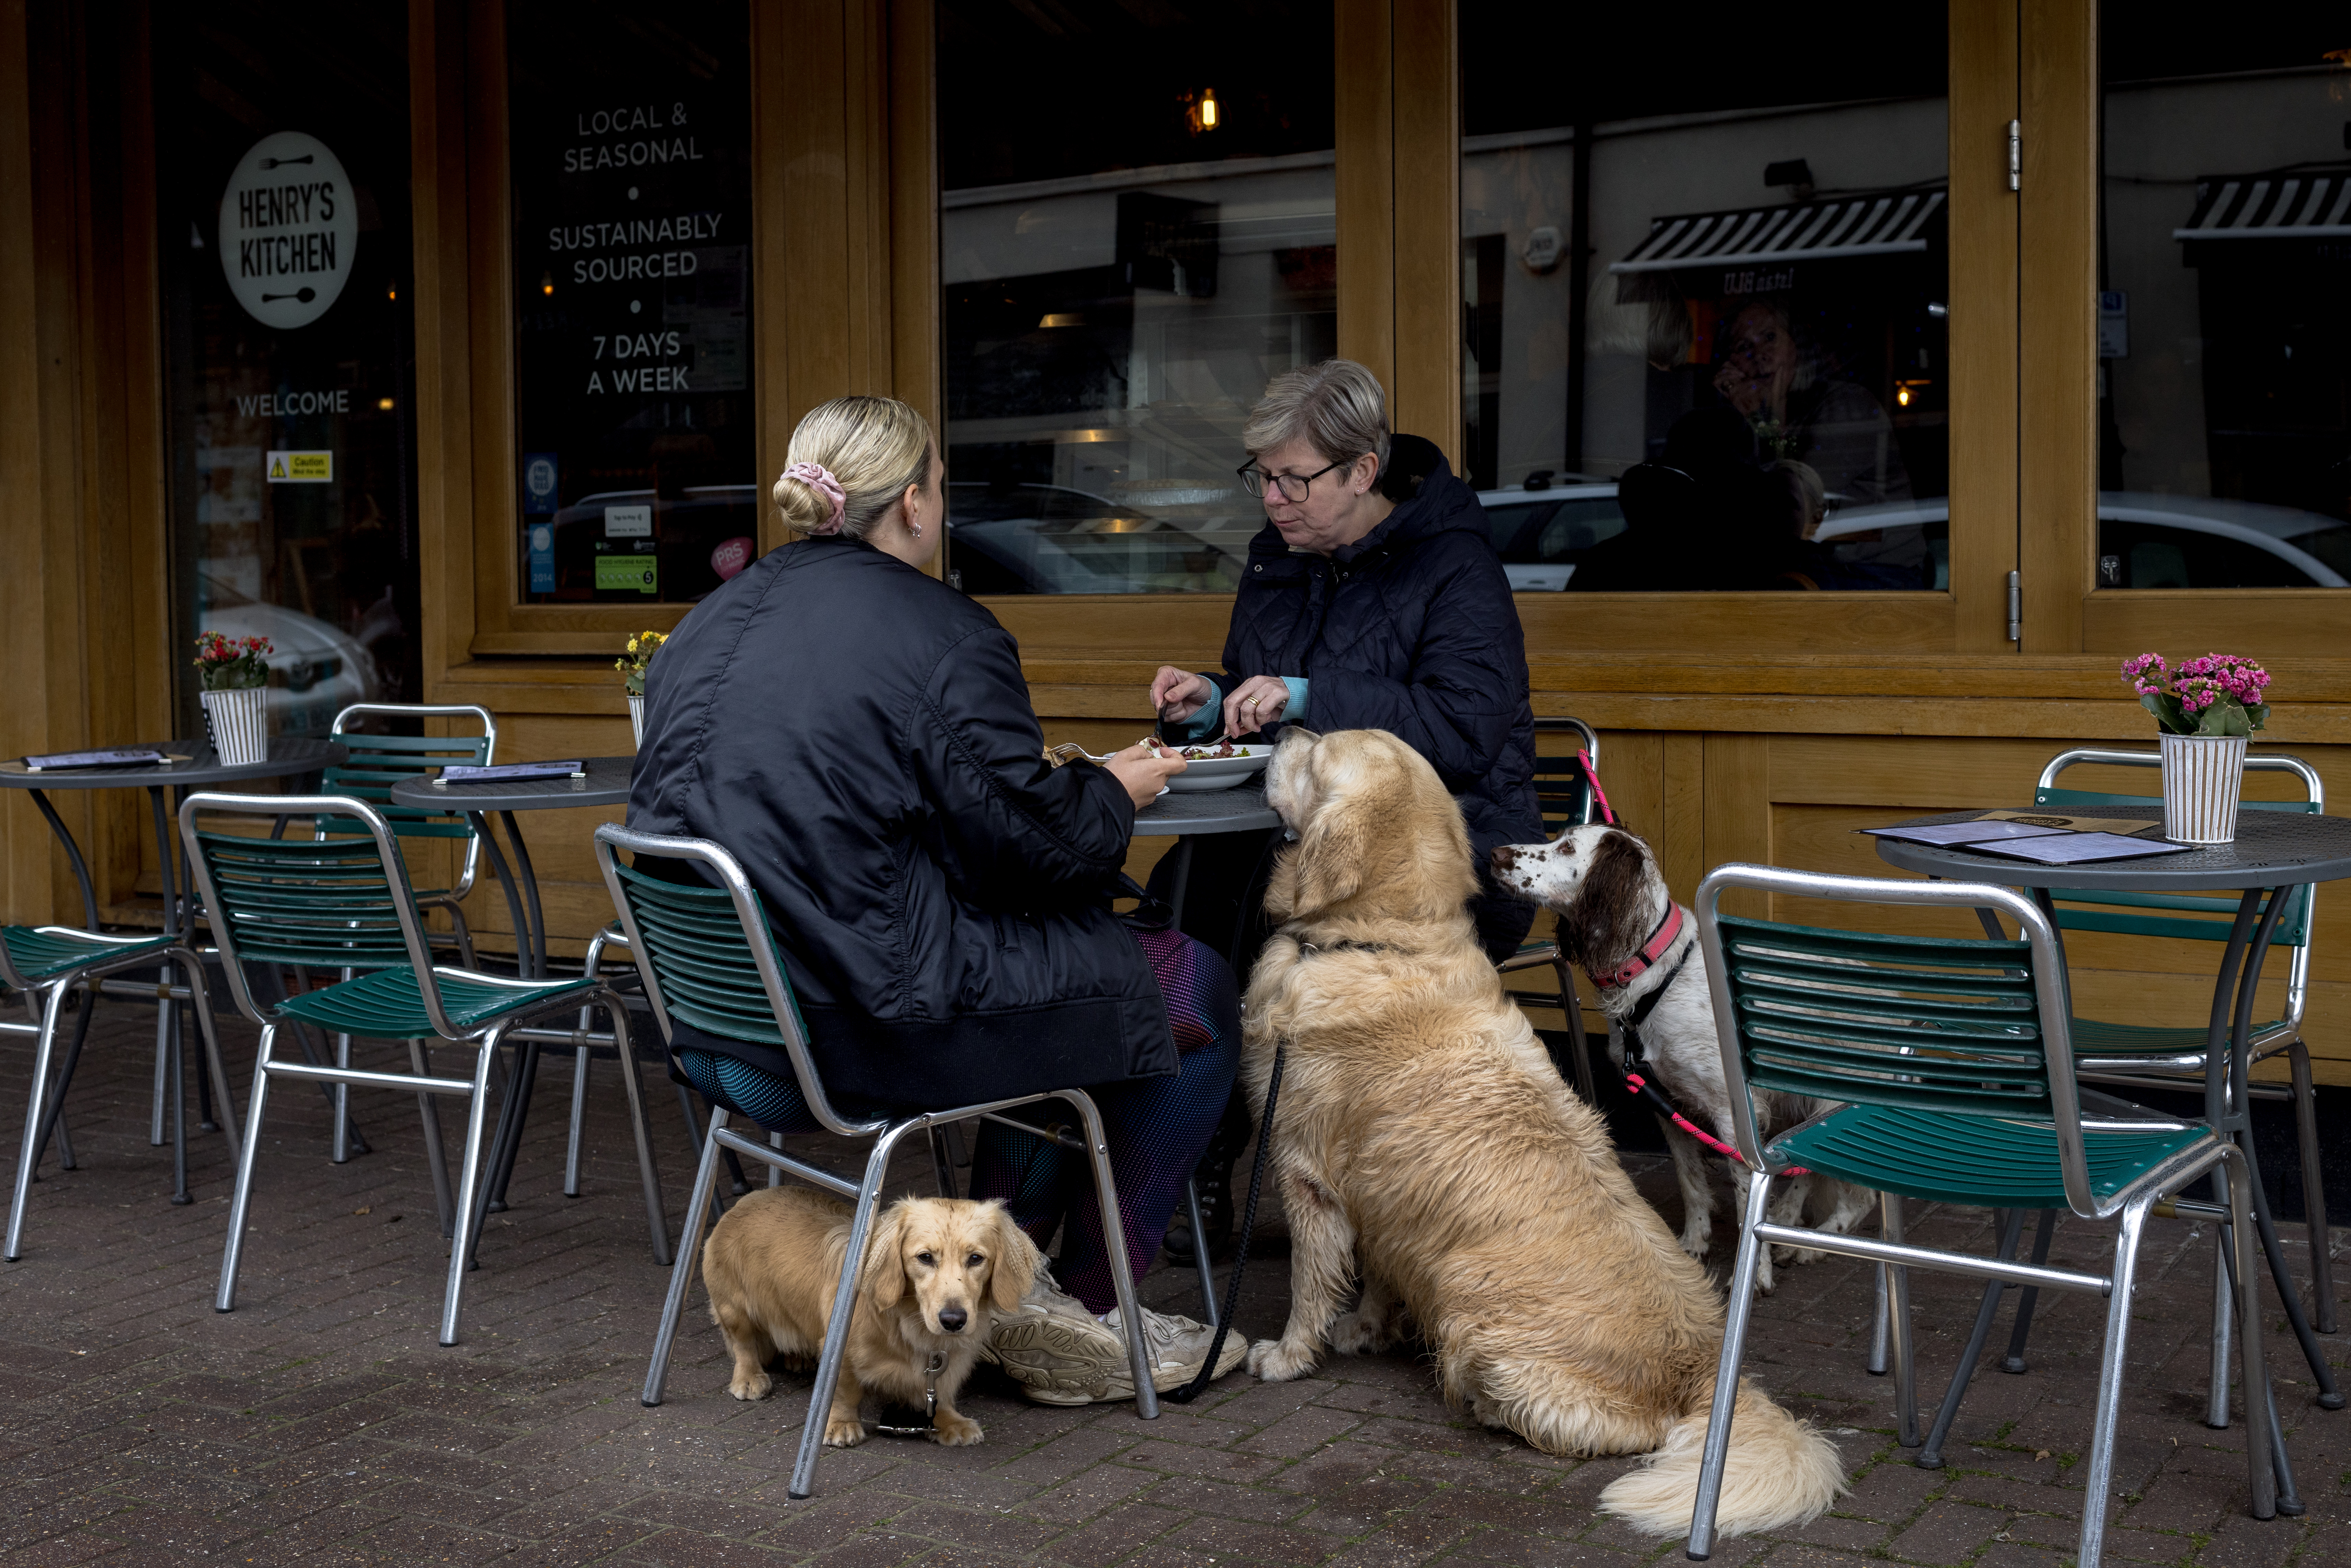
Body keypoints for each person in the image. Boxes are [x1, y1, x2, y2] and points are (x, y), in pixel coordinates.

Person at [627, 394, 1246, 1404]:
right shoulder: (941, 631)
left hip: (728, 1030)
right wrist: (1109, 787)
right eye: (944, 490)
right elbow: (1042, 852)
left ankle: (1018, 1295)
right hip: (864, 1024)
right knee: (1189, 988)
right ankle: (1087, 1311)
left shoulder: (705, 625)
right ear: (913, 503)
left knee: (1071, 992)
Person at [1145, 359, 1545, 1257]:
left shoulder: (1455, 569)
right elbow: (1262, 697)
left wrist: (1308, 695)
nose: (1275, 500)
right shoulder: (1278, 561)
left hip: (1445, 852)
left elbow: (1463, 731)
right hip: (1289, 839)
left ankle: (1360, 1191)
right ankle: (1192, 1152)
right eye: (1264, 478)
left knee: (1252, 934)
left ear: (1363, 471)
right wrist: (1212, 704)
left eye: (1296, 478)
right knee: (1179, 926)